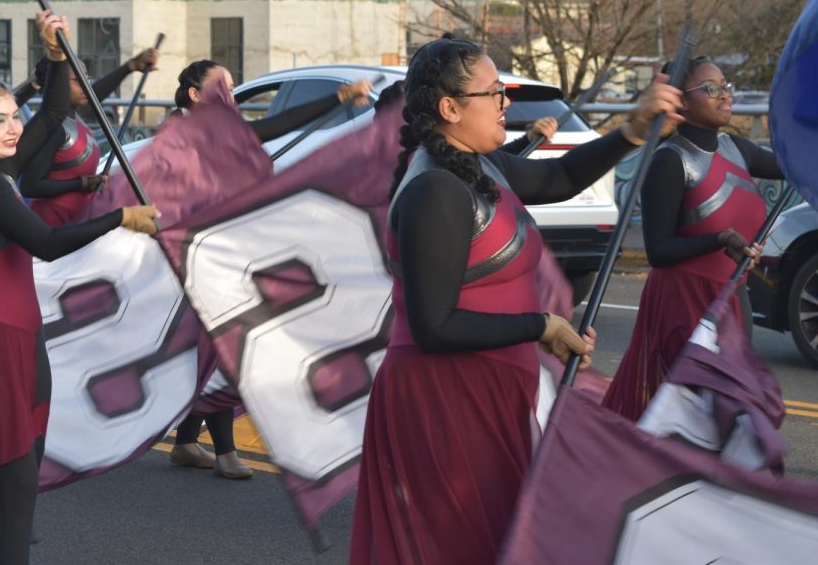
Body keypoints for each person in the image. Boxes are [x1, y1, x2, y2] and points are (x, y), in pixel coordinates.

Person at [348, 35, 682, 565]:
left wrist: (631, 131)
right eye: (494, 92)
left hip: (492, 387)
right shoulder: (435, 190)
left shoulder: (480, 165)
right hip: (446, 401)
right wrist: (542, 326)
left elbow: (562, 176)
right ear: (451, 107)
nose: (507, 103)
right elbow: (436, 328)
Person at [0, 12, 159, 564]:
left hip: (23, 339)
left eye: (12, 115)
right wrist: (121, 217)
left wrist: (51, 53)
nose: (14, 126)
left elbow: (52, 111)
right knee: (17, 494)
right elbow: (45, 242)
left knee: (14, 495)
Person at [168, 59, 372, 479]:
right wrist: (336, 97)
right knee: (226, 349)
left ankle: (187, 440)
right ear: (194, 94)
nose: (229, 87)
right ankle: (225, 452)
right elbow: (271, 128)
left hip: (238, 250)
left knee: (227, 346)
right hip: (203, 254)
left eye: (231, 81)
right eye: (220, 83)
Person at [603, 57, 782, 421]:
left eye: (725, 86)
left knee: (730, 417)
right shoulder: (670, 161)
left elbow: (792, 163)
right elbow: (657, 251)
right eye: (711, 88)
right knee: (700, 420)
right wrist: (718, 238)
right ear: (681, 101)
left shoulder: (737, 148)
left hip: (734, 298)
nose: (725, 95)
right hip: (685, 304)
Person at [22, 46, 158, 225]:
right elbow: (29, 186)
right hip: (52, 225)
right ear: (57, 81)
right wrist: (81, 183)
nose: (85, 85)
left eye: (86, 78)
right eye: (78, 80)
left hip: (76, 223)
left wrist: (130, 67)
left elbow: (94, 94)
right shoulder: (53, 127)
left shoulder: (76, 117)